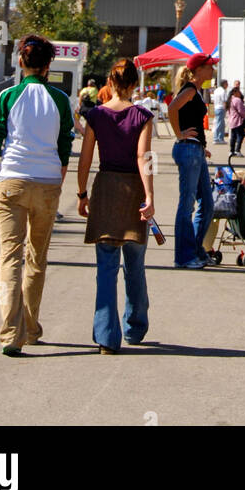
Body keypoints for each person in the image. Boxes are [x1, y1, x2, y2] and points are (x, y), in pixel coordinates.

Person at [0, 34, 75, 356]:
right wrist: (58, 184)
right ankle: (31, 327)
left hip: (11, 181)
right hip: (47, 182)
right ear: (49, 65)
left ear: (21, 62)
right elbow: (65, 148)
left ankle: (10, 332)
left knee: (10, 256)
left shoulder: (7, 96)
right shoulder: (61, 100)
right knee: (37, 257)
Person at [77, 58, 154, 354]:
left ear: (110, 82)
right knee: (135, 264)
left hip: (106, 188)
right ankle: (135, 327)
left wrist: (82, 194)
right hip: (133, 191)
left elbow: (85, 160)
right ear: (135, 84)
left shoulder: (95, 115)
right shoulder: (143, 116)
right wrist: (149, 197)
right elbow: (143, 158)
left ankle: (107, 336)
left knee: (106, 266)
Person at [167, 52, 216, 269]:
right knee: (187, 205)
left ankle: (196, 250)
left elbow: (189, 117)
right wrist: (179, 135)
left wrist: (200, 146)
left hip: (195, 150)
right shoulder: (189, 89)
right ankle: (184, 257)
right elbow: (172, 108)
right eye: (209, 66)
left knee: (207, 202)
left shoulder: (196, 90)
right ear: (199, 69)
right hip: (188, 150)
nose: (212, 70)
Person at [227, 85, 245, 156]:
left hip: (231, 120)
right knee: (240, 135)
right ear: (235, 93)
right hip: (237, 120)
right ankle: (237, 150)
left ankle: (231, 150)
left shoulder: (230, 100)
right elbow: (241, 111)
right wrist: (244, 115)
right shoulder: (237, 100)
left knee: (233, 136)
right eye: (239, 92)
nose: (240, 93)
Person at [212, 79, 228, 145]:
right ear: (224, 84)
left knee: (221, 123)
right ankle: (216, 138)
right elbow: (224, 101)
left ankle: (221, 138)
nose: (227, 85)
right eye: (226, 83)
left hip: (216, 107)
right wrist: (226, 109)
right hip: (221, 108)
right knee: (219, 123)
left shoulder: (216, 90)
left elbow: (213, 100)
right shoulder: (223, 91)